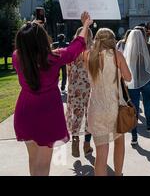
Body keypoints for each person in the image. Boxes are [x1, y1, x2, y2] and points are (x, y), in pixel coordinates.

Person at [13, 12, 93, 176]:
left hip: (25, 112)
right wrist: (85, 25)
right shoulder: (53, 58)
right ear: (42, 40)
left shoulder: (17, 57)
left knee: (33, 160)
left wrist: (34, 28)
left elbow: (30, 46)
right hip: (47, 113)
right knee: (43, 164)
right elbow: (76, 47)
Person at [83, 28, 132, 176]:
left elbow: (78, 44)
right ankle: (118, 174)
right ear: (112, 40)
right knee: (119, 143)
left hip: (95, 109)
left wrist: (85, 26)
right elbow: (128, 77)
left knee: (100, 155)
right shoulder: (117, 56)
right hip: (114, 108)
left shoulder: (87, 56)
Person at [123, 29, 150, 145]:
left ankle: (134, 136)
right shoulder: (148, 47)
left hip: (133, 81)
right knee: (147, 103)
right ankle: (149, 124)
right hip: (147, 80)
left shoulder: (128, 50)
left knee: (134, 108)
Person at [66, 27, 94, 158]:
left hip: (75, 86)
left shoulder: (72, 50)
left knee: (76, 114)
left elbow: (68, 70)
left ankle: (75, 140)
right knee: (90, 115)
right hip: (89, 86)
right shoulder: (92, 50)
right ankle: (87, 144)